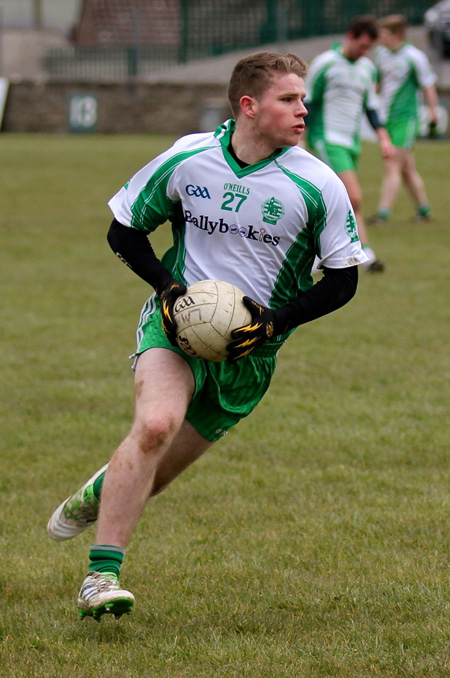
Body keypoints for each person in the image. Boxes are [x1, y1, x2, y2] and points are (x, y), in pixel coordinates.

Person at [47, 51, 369, 622]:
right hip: (174, 327)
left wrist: (273, 322)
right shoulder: (189, 157)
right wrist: (170, 290)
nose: (304, 110)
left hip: (250, 355)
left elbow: (343, 281)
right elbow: (125, 233)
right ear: (249, 106)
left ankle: (97, 494)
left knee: (159, 469)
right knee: (154, 426)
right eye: (289, 100)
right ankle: (102, 575)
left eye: (303, 99)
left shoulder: (317, 183)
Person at [304, 15, 394, 272]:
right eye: (362, 46)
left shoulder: (367, 68)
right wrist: (299, 138)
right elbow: (307, 103)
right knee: (352, 197)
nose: (365, 52)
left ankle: (349, 254)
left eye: (369, 49)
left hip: (351, 143)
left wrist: (383, 137)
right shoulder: (325, 63)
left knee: (336, 200)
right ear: (350, 37)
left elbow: (371, 106)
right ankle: (362, 252)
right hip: (327, 138)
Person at [367, 14, 439, 224]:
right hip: (387, 117)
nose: (380, 39)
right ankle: (425, 211)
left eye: (384, 35)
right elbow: (378, 85)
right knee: (407, 168)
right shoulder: (381, 55)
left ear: (397, 35)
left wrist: (432, 111)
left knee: (392, 164)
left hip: (406, 119)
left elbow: (428, 85)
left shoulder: (414, 57)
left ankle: (382, 214)